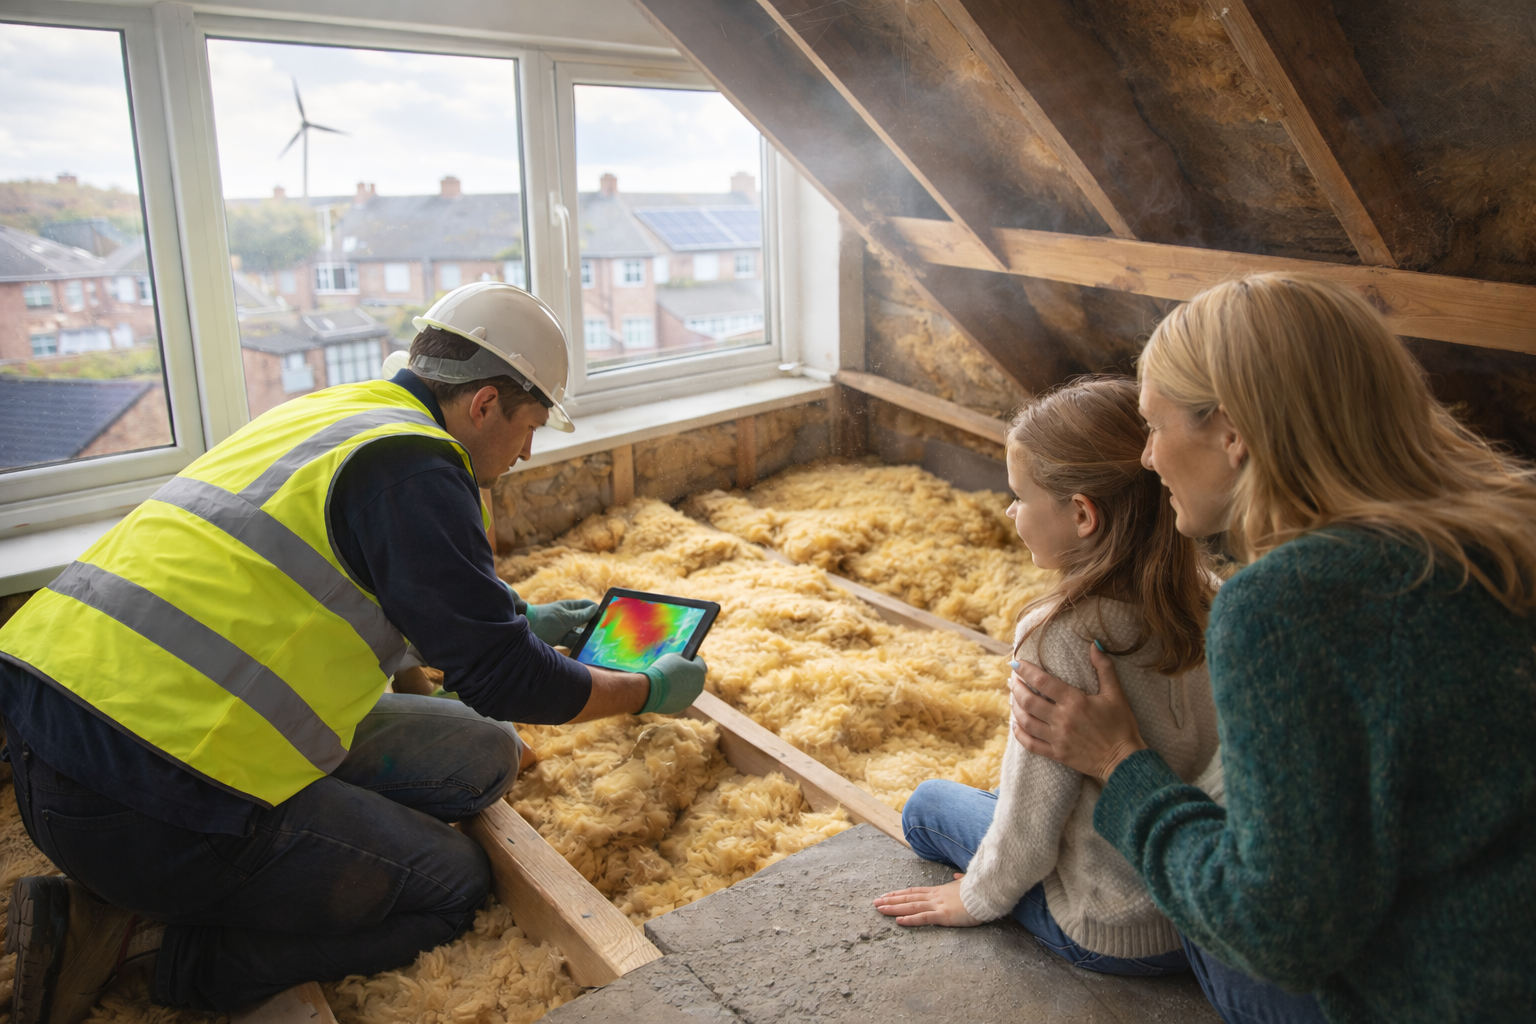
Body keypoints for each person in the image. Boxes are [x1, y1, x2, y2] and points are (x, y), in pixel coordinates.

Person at [0, 283, 708, 1023]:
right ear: (487, 404)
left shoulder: (337, 414)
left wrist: (519, 618)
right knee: (452, 886)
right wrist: (646, 690)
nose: (529, 451)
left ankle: (179, 883)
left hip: (55, 744)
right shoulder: (421, 468)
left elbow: (371, 579)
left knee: (485, 757)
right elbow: (505, 679)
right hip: (149, 799)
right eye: (531, 425)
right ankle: (148, 945)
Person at [1010, 274, 1536, 1024]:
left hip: (1443, 994)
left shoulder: (1284, 606)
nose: (1150, 459)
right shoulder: (1511, 523)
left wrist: (1122, 769)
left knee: (1190, 905)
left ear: (1231, 431)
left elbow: (1279, 928)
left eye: (1155, 427)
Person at [874, 377, 1221, 976]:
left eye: (1018, 496)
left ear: (1083, 513)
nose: (1010, 510)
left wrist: (977, 895)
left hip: (1114, 927)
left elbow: (1031, 832)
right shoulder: (1212, 595)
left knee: (927, 806)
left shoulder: (1058, 635)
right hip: (1200, 891)